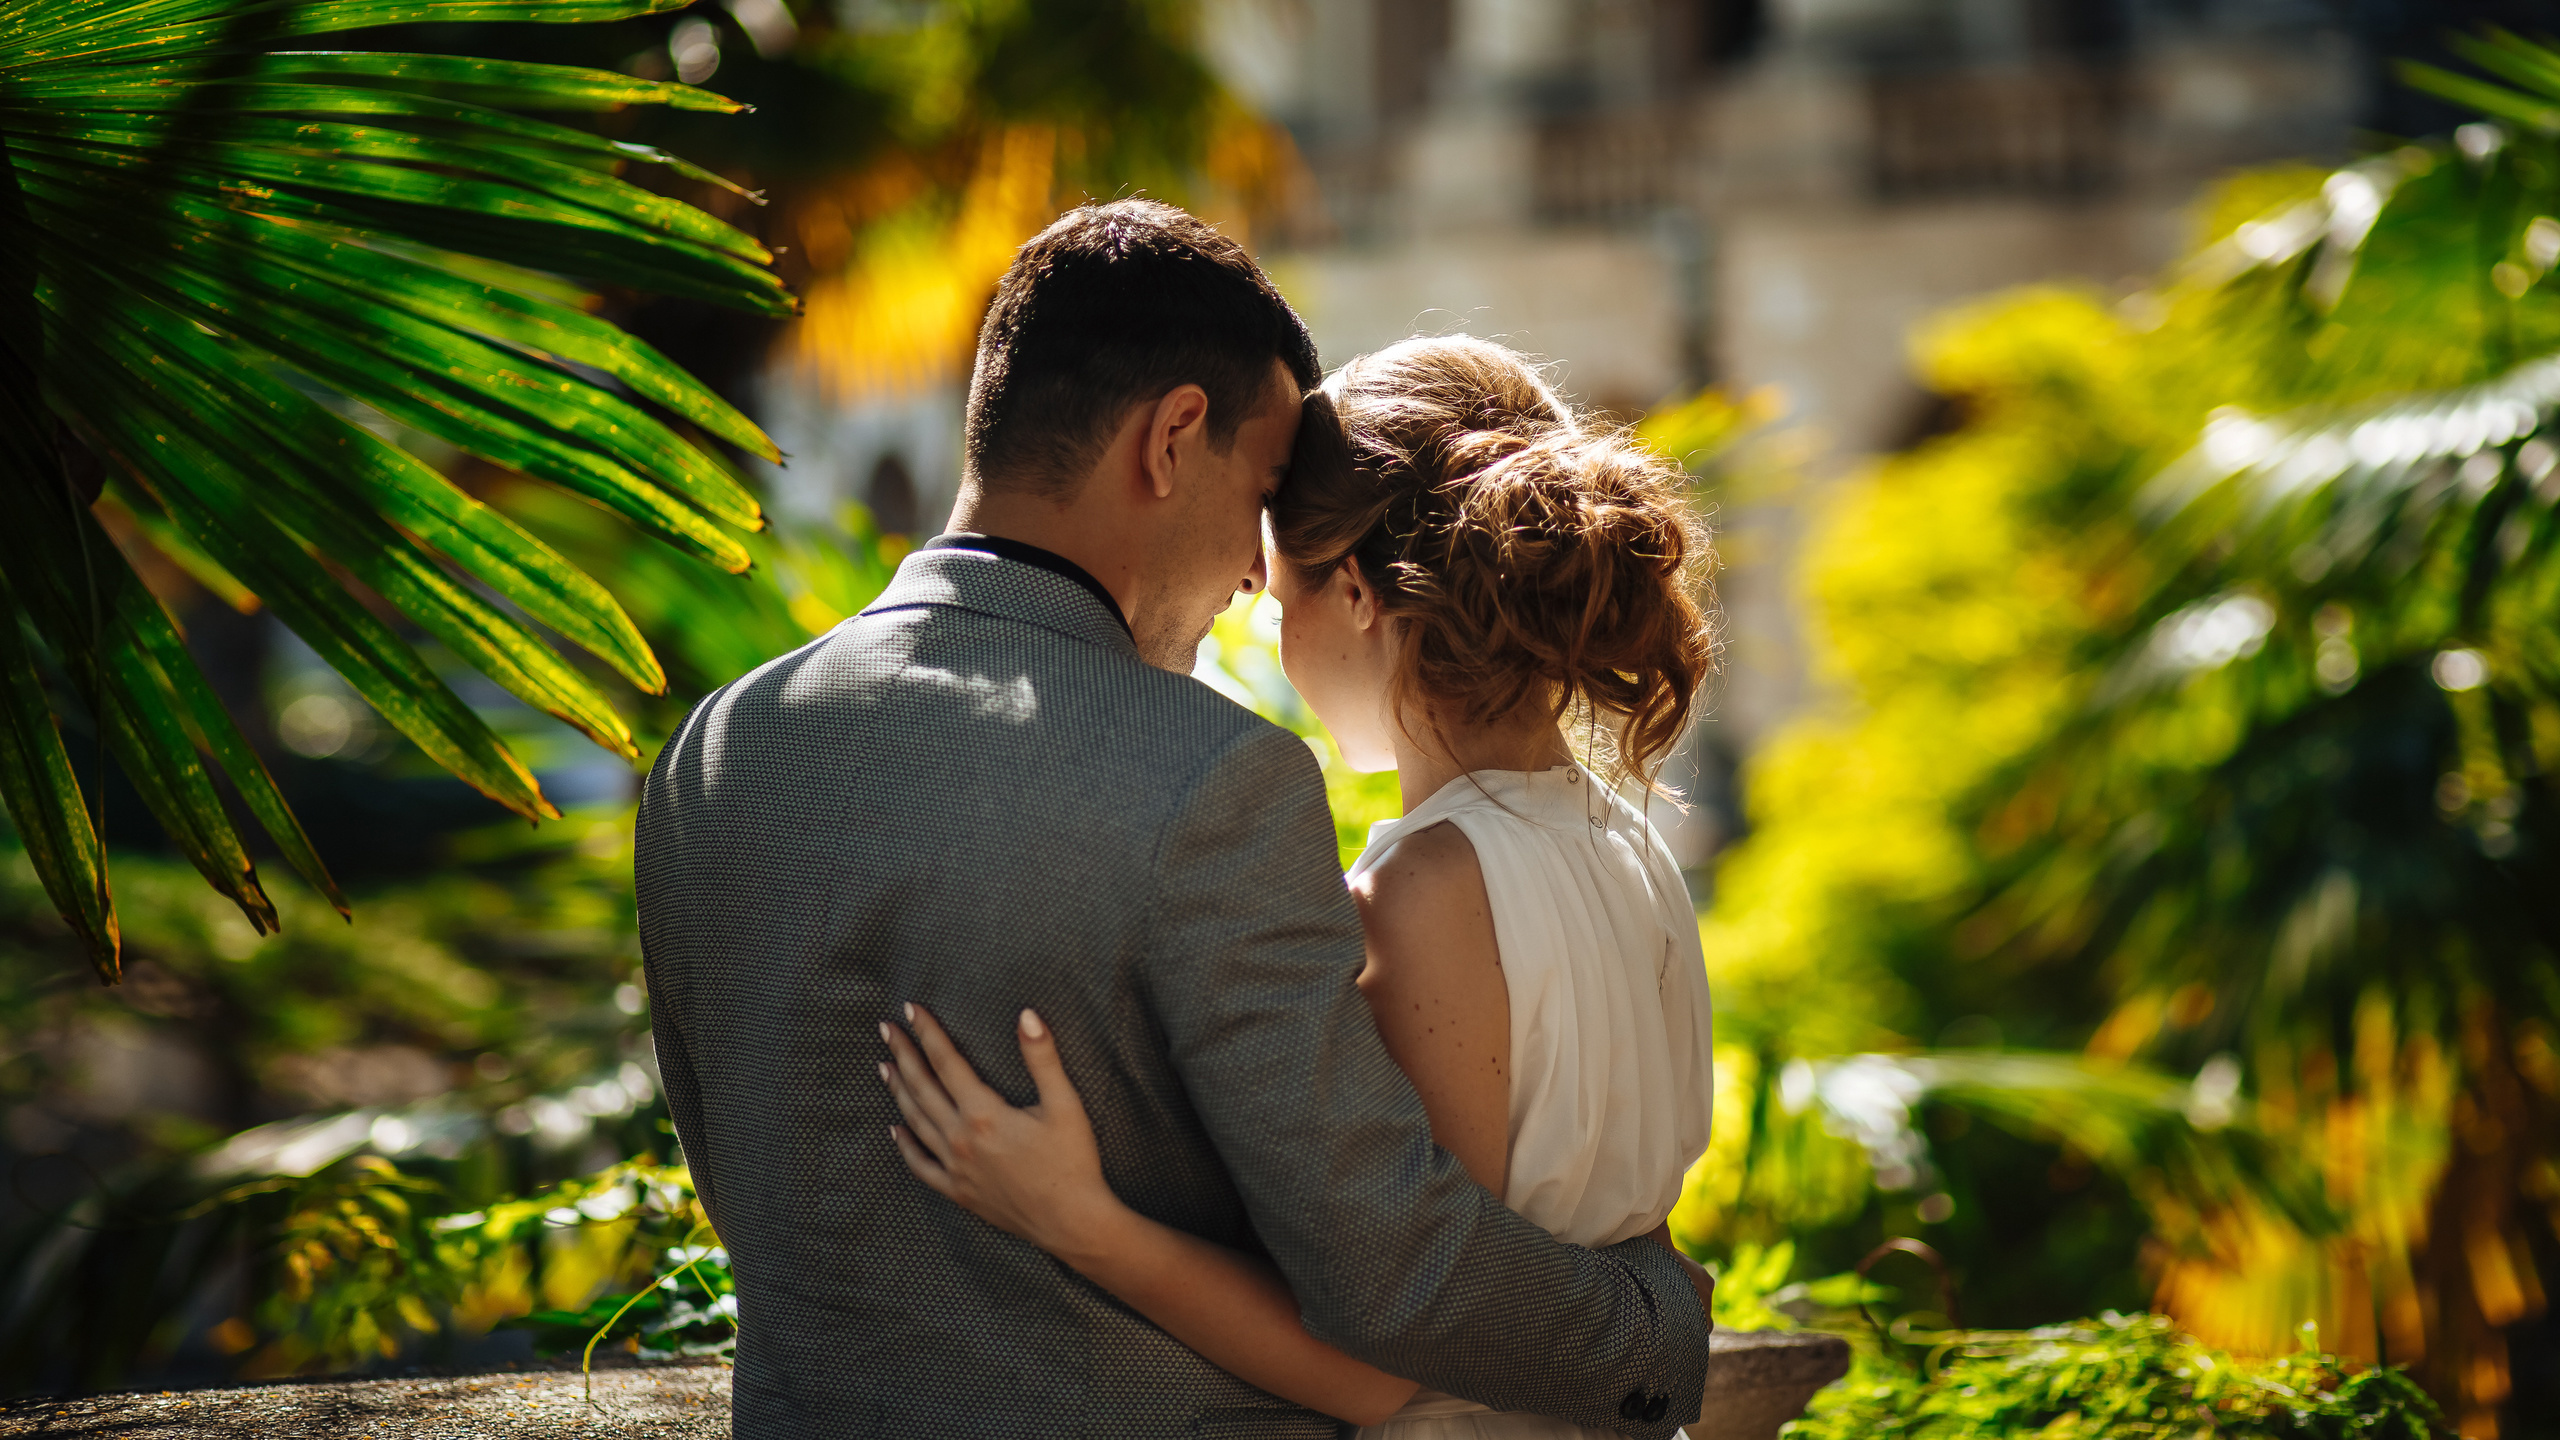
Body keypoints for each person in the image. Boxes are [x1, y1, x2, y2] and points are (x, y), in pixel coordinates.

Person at [636, 203, 1713, 1439]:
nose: (1260, 573)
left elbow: (745, 1186)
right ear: (1171, 440)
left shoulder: (711, 753)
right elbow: (1393, 1268)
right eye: (1261, 492)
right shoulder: (1210, 780)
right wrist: (1657, 1329)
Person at [880, 333, 1722, 1439]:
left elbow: (1384, 1361)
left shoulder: (1427, 890)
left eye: (1279, 595)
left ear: (1362, 594)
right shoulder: (1633, 844)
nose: (1266, 630)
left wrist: (1080, 1219)